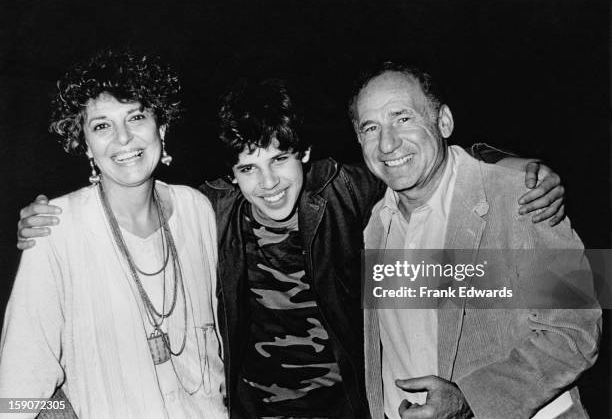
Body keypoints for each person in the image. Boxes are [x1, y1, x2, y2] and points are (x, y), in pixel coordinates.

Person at [16, 78, 566, 418]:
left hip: (351, 409)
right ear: (231, 175)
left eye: (279, 160)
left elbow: (423, 165)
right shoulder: (210, 210)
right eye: (248, 168)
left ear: (304, 153)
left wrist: (515, 165)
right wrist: (49, 219)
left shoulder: (349, 192)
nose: (268, 184)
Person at [349, 62, 601, 419]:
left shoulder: (523, 196)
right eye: (371, 127)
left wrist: (472, 401)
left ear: (444, 122)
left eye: (402, 118)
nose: (387, 143)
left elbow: (577, 331)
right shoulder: (373, 225)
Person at [1, 50, 227, 418]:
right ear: (86, 144)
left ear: (162, 128)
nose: (123, 138)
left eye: (136, 117)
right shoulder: (56, 230)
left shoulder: (197, 209)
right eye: (102, 125)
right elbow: (12, 395)